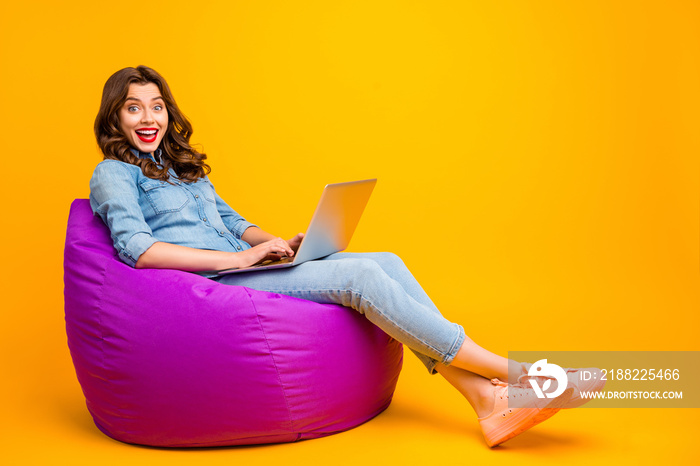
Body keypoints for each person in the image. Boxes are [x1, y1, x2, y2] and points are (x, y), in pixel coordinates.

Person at [89, 66, 603, 448]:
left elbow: (233, 222)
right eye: (133, 108)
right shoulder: (114, 172)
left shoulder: (185, 170)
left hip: (251, 270)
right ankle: (515, 374)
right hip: (219, 286)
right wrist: (245, 263)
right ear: (115, 116)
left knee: (386, 261)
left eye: (156, 105)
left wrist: (277, 245)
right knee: (357, 275)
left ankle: (485, 402)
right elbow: (138, 250)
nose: (148, 117)